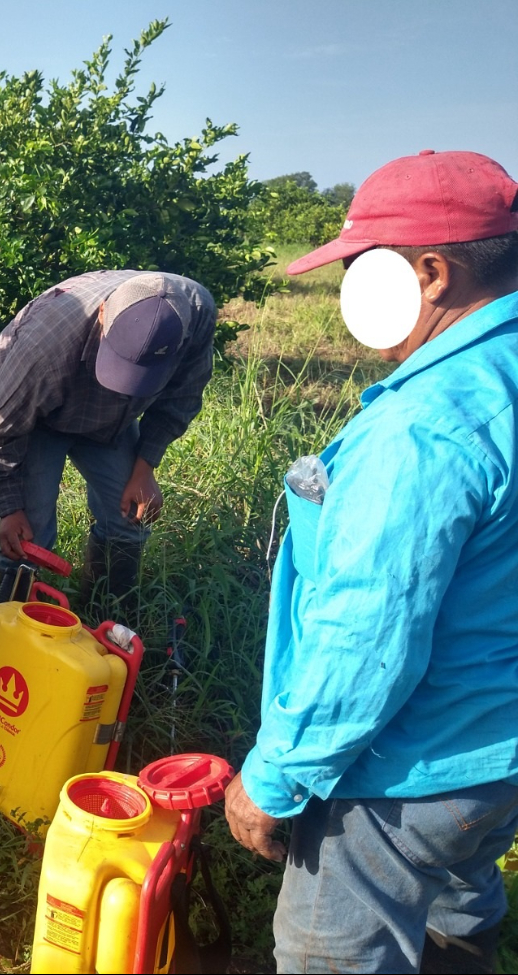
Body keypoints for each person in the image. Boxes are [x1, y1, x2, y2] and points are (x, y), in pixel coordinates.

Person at [224, 150, 518, 974]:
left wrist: (274, 777)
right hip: (496, 750)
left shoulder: (424, 426)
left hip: (407, 767)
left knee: (332, 950)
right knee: (459, 902)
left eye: (363, 271)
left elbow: (367, 633)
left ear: (430, 273)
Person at [0, 270, 217, 608]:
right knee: (29, 538)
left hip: (111, 421)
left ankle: (107, 619)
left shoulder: (196, 312)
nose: (126, 381)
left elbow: (181, 398)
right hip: (37, 420)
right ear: (103, 314)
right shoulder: (44, 349)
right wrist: (10, 508)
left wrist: (144, 469)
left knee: (131, 519)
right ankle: (9, 633)